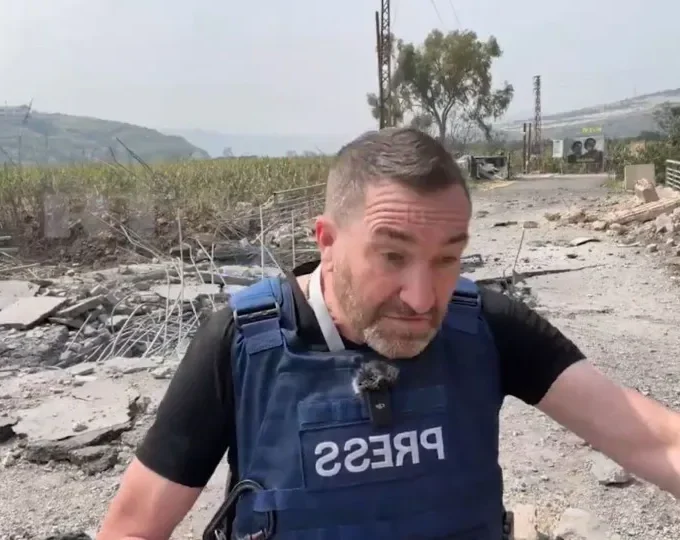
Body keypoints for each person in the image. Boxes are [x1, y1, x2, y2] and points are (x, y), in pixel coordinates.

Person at [97, 128, 680, 540]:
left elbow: (653, 442)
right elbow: (133, 529)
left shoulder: (488, 327)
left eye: (447, 259)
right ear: (327, 241)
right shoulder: (242, 345)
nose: (423, 299)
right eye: (392, 256)